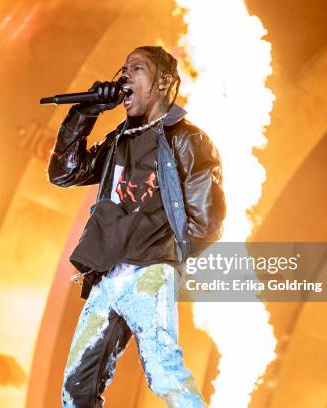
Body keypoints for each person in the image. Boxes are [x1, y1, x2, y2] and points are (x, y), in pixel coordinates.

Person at [47, 45, 226, 408]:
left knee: (164, 374)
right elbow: (64, 172)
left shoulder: (186, 139)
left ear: (163, 82)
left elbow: (207, 221)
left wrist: (162, 256)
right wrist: (86, 111)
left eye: (137, 69)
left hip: (148, 272)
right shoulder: (118, 139)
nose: (125, 76)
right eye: (124, 69)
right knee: (76, 388)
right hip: (108, 274)